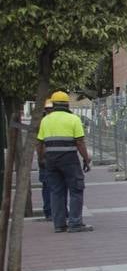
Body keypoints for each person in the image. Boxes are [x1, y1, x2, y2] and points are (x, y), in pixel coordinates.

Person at [36, 91, 94, 233]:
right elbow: (80, 142)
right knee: (76, 189)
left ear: (53, 104)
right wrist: (86, 160)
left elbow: (40, 144)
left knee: (56, 191)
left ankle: (59, 224)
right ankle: (75, 223)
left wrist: (41, 159)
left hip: (51, 160)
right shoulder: (73, 119)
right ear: (67, 104)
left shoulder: (46, 120)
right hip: (69, 159)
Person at [36, 98, 54, 220]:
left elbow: (39, 143)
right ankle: (51, 211)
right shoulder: (44, 122)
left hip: (46, 158)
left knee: (48, 186)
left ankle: (49, 211)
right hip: (50, 158)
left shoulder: (42, 121)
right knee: (54, 186)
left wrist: (40, 157)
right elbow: (39, 143)